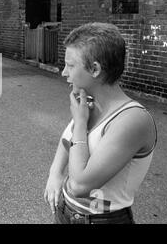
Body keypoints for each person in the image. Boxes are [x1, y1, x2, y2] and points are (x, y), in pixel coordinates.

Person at [44, 23, 157, 224]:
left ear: (95, 69)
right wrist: (55, 173)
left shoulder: (132, 119)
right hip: (65, 211)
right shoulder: (89, 104)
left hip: (102, 219)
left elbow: (80, 185)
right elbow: (66, 142)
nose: (63, 72)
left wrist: (80, 124)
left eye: (70, 65)